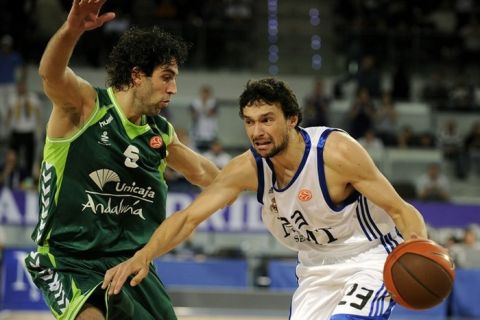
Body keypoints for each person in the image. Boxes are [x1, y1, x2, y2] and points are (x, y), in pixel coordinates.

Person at [103, 77, 429, 320]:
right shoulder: (247, 169)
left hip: (369, 257)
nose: (257, 131)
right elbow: (189, 218)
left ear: (292, 119)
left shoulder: (335, 152)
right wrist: (143, 256)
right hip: (316, 267)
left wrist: (419, 245)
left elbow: (400, 209)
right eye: (249, 122)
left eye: (267, 120)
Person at [23, 1, 220, 320]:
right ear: (137, 74)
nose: (174, 89)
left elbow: (207, 175)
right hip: (69, 260)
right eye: (167, 77)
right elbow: (51, 75)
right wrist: (71, 30)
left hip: (132, 264)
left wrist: (265, 175)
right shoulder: (86, 107)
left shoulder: (159, 133)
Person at [0, 79, 42, 189]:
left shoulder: (32, 97)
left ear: (26, 87)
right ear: (17, 87)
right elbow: (9, 114)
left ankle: (27, 180)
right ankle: (10, 178)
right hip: (16, 132)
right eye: (19, 86)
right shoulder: (13, 99)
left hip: (29, 131)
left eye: (23, 86)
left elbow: (38, 113)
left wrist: (39, 129)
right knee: (12, 157)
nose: (21, 88)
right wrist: (6, 129)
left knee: (29, 157)